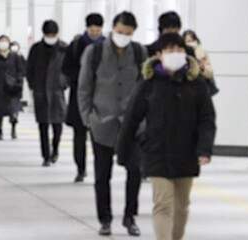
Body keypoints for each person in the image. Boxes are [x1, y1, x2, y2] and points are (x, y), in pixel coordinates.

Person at [117, 33, 216, 240]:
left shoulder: (196, 84)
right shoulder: (148, 83)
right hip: (156, 151)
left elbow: (207, 119)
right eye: (170, 51)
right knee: (162, 204)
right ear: (159, 55)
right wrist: (123, 151)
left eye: (179, 50)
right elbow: (131, 119)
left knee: (181, 206)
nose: (175, 54)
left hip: (186, 152)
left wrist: (204, 149)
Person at [78, 12, 148, 236]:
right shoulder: (95, 52)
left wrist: (144, 119)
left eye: (128, 34)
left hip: (132, 124)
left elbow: (146, 88)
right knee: (102, 175)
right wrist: (88, 118)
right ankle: (105, 218)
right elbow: (84, 87)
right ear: (112, 28)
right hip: (102, 121)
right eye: (119, 32)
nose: (123, 37)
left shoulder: (139, 52)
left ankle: (130, 216)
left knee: (135, 170)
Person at [62, 13, 105, 182]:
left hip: (101, 96)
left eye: (97, 29)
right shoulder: (76, 45)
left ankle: (99, 169)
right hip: (80, 95)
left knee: (99, 136)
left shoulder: (107, 45)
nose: (94, 32)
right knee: (79, 134)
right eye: (91, 29)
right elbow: (65, 68)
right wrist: (81, 77)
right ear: (87, 28)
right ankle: (80, 168)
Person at [27, 20, 68, 167]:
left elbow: (70, 69)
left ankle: (55, 148)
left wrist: (64, 83)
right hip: (41, 92)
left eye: (53, 34)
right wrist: (33, 85)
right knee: (43, 126)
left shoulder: (64, 48)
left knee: (58, 125)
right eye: (48, 34)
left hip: (57, 92)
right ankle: (45, 155)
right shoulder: (36, 49)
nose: (51, 37)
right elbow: (29, 69)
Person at [0, 35, 25, 140]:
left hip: (12, 88)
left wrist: (18, 82)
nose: (3, 43)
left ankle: (13, 129)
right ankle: (0, 130)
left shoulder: (14, 56)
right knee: (0, 111)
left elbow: (19, 71)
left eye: (5, 41)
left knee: (13, 111)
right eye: (1, 41)